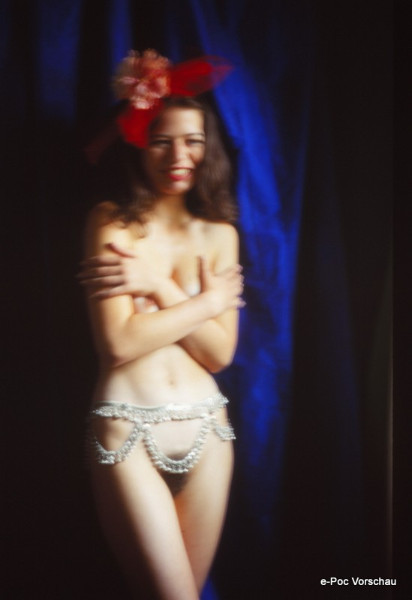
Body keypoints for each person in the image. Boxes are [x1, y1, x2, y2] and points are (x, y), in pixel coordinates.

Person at [79, 50, 244, 599]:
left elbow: (219, 354)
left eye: (193, 141)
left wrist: (156, 285)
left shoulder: (220, 235)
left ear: (207, 146)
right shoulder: (110, 223)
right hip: (128, 432)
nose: (179, 156)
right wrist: (205, 303)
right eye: (161, 141)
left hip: (208, 432)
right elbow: (119, 342)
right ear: (136, 143)